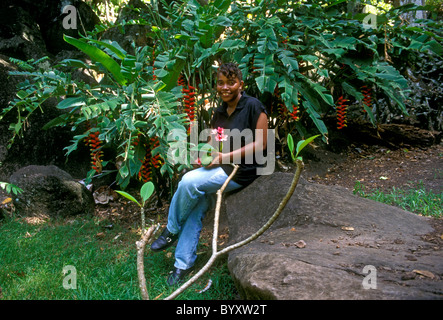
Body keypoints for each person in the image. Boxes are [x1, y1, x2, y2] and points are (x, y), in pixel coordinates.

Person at [150, 62, 268, 285]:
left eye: (231, 83)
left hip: (242, 171)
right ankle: (182, 265)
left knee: (187, 182)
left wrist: (223, 157)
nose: (225, 88)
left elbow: (262, 144)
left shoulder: (254, 106)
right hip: (220, 168)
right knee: (195, 204)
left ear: (240, 84)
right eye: (221, 83)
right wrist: (204, 157)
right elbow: (214, 145)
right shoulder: (219, 112)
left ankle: (171, 230)